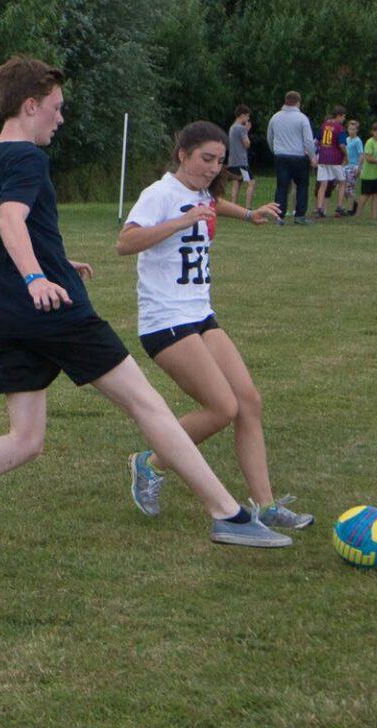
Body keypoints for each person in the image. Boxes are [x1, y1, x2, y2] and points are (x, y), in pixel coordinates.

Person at [0, 55, 291, 568]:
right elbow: (9, 223)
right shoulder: (28, 158)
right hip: (53, 309)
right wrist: (38, 277)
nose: (60, 118)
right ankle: (227, 513)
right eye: (55, 108)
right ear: (29, 106)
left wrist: (53, 262)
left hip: (6, 312)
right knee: (147, 404)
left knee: (25, 439)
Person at [119, 122, 311, 531]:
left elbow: (212, 203)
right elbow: (125, 242)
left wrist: (249, 214)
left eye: (219, 161)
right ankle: (151, 463)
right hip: (165, 320)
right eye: (206, 158)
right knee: (222, 408)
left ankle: (266, 506)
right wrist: (178, 223)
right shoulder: (159, 194)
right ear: (182, 154)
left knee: (248, 401)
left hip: (200, 314)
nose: (212, 168)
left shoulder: (201, 192)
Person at [265, 91, 316, 225]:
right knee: (302, 186)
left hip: (281, 156)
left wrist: (275, 151)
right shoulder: (302, 118)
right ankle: (300, 215)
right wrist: (312, 156)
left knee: (282, 186)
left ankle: (279, 216)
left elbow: (270, 137)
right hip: (299, 157)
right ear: (298, 102)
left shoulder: (275, 117)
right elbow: (308, 141)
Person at [313, 105, 347, 218]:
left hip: (323, 157)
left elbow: (316, 141)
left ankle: (319, 208)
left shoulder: (324, 125)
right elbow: (341, 144)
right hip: (335, 158)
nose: (344, 119)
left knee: (323, 183)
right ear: (339, 116)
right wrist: (346, 155)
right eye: (343, 117)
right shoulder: (340, 128)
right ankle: (339, 207)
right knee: (342, 182)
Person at [225, 106, 256, 210]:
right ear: (242, 115)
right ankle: (248, 207)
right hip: (242, 162)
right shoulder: (241, 128)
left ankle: (233, 206)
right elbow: (247, 144)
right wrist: (246, 131)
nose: (248, 119)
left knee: (237, 182)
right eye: (247, 116)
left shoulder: (232, 127)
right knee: (251, 182)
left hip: (233, 160)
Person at [357, 123, 377, 222]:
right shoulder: (370, 142)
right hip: (368, 174)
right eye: (376, 131)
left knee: (375, 194)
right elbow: (368, 158)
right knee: (365, 195)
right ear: (372, 132)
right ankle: (358, 214)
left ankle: (374, 215)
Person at [342, 118, 364, 216]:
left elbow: (361, 155)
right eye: (350, 129)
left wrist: (359, 167)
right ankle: (354, 203)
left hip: (354, 166)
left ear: (357, 130)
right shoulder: (347, 139)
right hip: (346, 166)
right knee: (343, 188)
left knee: (350, 188)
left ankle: (350, 209)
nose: (351, 131)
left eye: (353, 129)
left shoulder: (358, 141)